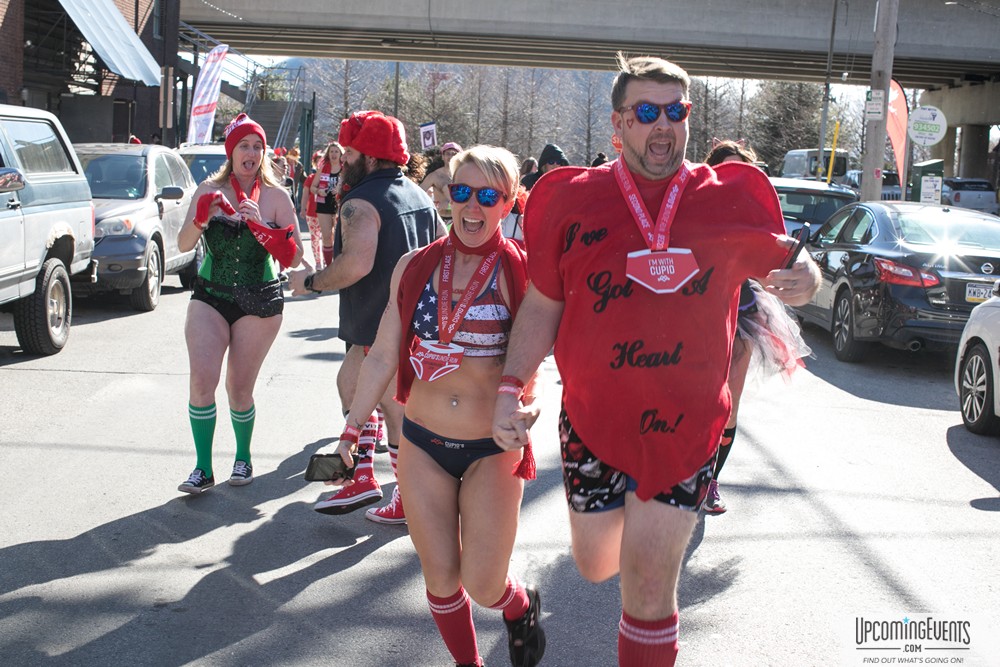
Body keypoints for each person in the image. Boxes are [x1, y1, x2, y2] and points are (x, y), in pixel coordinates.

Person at [492, 54, 821, 666]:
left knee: (647, 586)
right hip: (593, 422)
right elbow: (542, 305)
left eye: (676, 111)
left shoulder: (729, 195)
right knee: (594, 565)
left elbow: (791, 259)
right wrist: (512, 386)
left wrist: (808, 276)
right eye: (646, 112)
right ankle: (626, 540)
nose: (662, 125)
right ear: (618, 123)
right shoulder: (568, 200)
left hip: (687, 427)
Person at [332, 145, 544, 667]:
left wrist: (530, 407)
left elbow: (544, 359)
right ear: (447, 195)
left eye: (489, 195)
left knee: (483, 582)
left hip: (491, 449)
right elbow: (382, 355)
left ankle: (517, 605)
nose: (473, 207)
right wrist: (351, 431)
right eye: (462, 191)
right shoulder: (415, 265)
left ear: (510, 202)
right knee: (441, 578)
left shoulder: (524, 274)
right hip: (421, 444)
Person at [289, 110, 442, 524]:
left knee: (392, 412)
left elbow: (356, 263)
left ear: (370, 157)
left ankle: (405, 497)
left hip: (382, 329)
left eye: (350, 153)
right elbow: (443, 248)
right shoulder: (418, 194)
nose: (343, 162)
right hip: (408, 327)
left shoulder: (360, 200)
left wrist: (311, 281)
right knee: (357, 391)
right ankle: (362, 478)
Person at [176, 113, 305, 494]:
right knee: (202, 379)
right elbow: (183, 246)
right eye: (243, 146)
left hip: (259, 298)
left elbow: (295, 258)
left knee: (238, 387)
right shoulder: (207, 189)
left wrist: (262, 226)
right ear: (231, 151)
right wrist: (201, 219)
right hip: (211, 295)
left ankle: (243, 457)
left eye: (257, 146)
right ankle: (203, 468)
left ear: (263, 153)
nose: (251, 152)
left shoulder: (277, 196)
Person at [701, 139, 812, 514]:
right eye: (726, 171)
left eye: (742, 172)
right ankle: (683, 474)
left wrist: (802, 271)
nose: (734, 179)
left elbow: (778, 256)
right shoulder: (693, 203)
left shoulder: (754, 212)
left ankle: (711, 481)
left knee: (728, 406)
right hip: (693, 306)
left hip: (743, 309)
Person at [310, 142, 343, 267]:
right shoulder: (323, 168)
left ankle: (339, 265)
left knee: (339, 236)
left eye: (336, 151)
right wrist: (319, 191)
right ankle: (329, 266)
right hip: (324, 205)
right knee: (327, 237)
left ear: (341, 154)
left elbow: (353, 186)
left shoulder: (346, 169)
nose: (334, 154)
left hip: (340, 204)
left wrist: (341, 190)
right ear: (328, 154)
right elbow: (312, 187)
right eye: (331, 151)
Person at [421, 141, 462, 223]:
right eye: (448, 154)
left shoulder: (464, 175)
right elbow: (418, 193)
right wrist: (430, 205)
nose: (450, 156)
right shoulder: (435, 176)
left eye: (454, 154)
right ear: (443, 156)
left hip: (459, 219)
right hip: (440, 220)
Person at [302, 151, 324, 269]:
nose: (321, 164)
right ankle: (318, 262)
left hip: (327, 213)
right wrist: (302, 209)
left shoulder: (329, 177)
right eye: (318, 161)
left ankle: (327, 260)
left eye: (323, 161)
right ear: (315, 164)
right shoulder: (310, 178)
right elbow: (305, 194)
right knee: (315, 238)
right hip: (312, 213)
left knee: (327, 238)